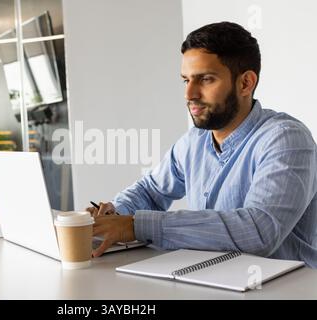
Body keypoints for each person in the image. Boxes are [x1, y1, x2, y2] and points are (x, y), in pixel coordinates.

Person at [87, 21, 317, 268]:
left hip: (288, 288)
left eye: (205, 79)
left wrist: (135, 226)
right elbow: (150, 191)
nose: (189, 94)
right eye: (186, 80)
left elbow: (259, 231)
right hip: (214, 279)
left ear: (245, 83)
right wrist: (112, 215)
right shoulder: (194, 141)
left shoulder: (286, 139)